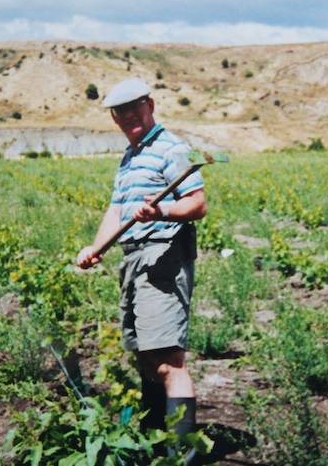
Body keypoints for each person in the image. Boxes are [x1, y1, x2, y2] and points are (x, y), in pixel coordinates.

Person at [76, 78, 207, 457]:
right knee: (147, 359)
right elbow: (117, 210)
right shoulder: (129, 157)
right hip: (133, 258)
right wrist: (97, 247)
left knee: (168, 360)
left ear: (150, 105)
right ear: (114, 118)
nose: (129, 115)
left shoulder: (171, 149)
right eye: (121, 111)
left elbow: (197, 204)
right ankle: (153, 444)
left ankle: (184, 455)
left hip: (162, 256)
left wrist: (161, 209)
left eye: (136, 107)